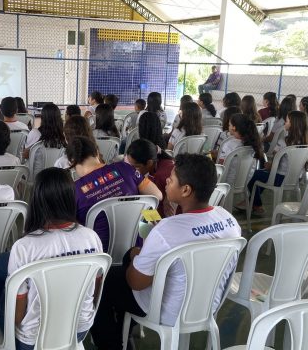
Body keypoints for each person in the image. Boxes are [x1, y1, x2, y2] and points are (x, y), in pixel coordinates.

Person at [90, 153, 241, 350]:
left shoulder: (167, 229)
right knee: (133, 259)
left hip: (167, 311)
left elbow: (136, 282)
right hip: (207, 306)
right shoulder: (229, 220)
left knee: (102, 285)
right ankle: (125, 328)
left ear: (186, 190)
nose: (167, 181)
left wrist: (133, 258)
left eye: (172, 179)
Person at [0, 168, 103, 350]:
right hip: (78, 330)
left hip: (31, 341)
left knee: (6, 274)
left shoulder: (25, 247)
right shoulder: (92, 238)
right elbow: (94, 292)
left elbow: (16, 317)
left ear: (36, 200)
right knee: (5, 262)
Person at [69, 136, 162, 250]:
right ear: (97, 152)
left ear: (72, 162)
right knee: (150, 210)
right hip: (136, 249)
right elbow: (157, 195)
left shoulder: (73, 191)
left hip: (100, 255)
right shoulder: (125, 168)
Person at [245, 110, 308, 215]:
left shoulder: (283, 141)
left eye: (288, 121)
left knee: (254, 175)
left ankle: (256, 205)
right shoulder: (306, 143)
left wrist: (268, 165)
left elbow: (275, 163)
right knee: (261, 176)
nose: (285, 123)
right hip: (296, 179)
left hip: (280, 178)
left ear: (294, 125)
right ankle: (252, 203)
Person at [126, 139, 176, 217]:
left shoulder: (159, 177)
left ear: (149, 163)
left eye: (136, 167)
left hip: (168, 219)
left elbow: (151, 213)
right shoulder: (163, 160)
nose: (132, 171)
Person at [216, 114, 263, 187]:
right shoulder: (253, 144)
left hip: (226, 182)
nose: (228, 127)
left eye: (229, 125)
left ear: (234, 128)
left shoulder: (228, 144)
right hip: (245, 182)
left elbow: (220, 166)